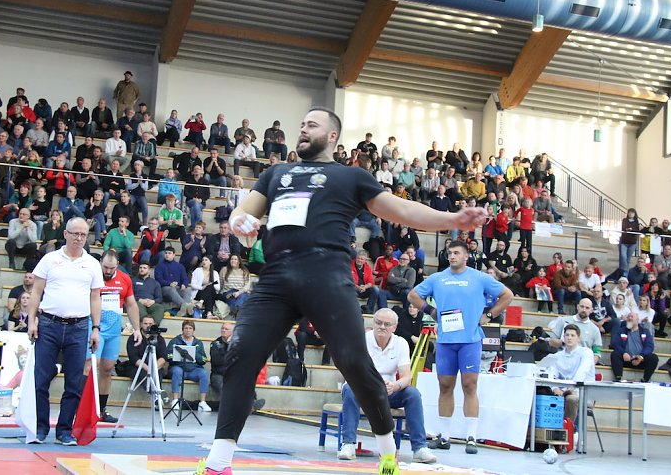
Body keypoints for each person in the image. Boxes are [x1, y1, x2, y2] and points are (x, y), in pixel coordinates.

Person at [195, 107, 487, 475]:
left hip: (327, 275)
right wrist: (241, 221)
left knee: (354, 364)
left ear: (332, 135)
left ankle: (387, 452)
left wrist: (451, 220)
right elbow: (244, 212)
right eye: (300, 124)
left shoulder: (351, 176)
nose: (302, 129)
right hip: (276, 278)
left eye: (311, 125)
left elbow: (399, 209)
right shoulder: (276, 173)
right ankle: (218, 464)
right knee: (240, 355)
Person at [407, 240, 513, 455]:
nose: (452, 256)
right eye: (449, 253)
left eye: (456, 253)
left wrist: (489, 315)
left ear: (466, 256)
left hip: (470, 340)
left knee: (469, 386)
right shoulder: (438, 278)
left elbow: (507, 295)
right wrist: (430, 310)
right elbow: (412, 295)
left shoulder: (479, 277)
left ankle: (471, 437)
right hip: (446, 341)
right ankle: (444, 436)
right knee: (445, 386)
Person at [26, 217, 103, 445]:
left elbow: (95, 297)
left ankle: (64, 430)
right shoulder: (50, 259)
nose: (79, 238)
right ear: (66, 234)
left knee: (73, 382)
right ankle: (40, 428)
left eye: (83, 235)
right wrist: (32, 320)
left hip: (78, 327)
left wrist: (96, 328)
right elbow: (36, 292)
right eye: (75, 234)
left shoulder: (92, 264)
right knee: (41, 378)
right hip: (48, 324)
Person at [337, 308, 437, 464]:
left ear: (394, 328)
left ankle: (419, 448)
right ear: (374, 323)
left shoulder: (401, 343)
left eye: (387, 324)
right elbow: (349, 372)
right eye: (378, 323)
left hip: (387, 391)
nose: (382, 327)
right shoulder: (361, 340)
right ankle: (348, 444)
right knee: (349, 389)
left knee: (413, 394)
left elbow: (406, 377)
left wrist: (395, 386)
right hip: (362, 388)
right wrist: (371, 383)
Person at [87, 250, 142, 422]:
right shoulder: (93, 277)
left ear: (117, 265)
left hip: (113, 329)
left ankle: (102, 410)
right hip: (94, 326)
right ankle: (82, 407)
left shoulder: (125, 279)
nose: (108, 271)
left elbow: (131, 305)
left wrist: (137, 328)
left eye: (112, 268)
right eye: (105, 267)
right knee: (90, 366)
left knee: (107, 368)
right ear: (100, 263)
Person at [548, 324, 596, 421]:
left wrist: (568, 389)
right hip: (563, 392)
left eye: (573, 335)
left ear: (579, 338)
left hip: (584, 393)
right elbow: (551, 374)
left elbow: (582, 372)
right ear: (563, 338)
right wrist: (555, 388)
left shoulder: (586, 352)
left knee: (571, 399)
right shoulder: (557, 356)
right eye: (567, 335)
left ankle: (571, 430)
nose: (569, 338)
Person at [166, 319, 212, 411]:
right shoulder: (175, 341)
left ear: (193, 330)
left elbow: (203, 360)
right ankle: (175, 400)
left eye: (190, 328)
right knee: (176, 371)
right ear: (182, 329)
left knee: (203, 373)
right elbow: (167, 355)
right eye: (186, 328)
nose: (188, 330)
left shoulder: (198, 343)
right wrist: (175, 356)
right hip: (178, 367)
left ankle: (202, 402)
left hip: (193, 370)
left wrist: (194, 354)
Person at [547, 298, 603, 364]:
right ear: (577, 307)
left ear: (591, 310)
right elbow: (551, 341)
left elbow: (597, 352)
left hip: (582, 363)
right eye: (582, 306)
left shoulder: (595, 329)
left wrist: (588, 367)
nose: (584, 310)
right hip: (562, 361)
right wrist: (564, 342)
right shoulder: (563, 321)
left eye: (587, 308)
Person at [610, 312, 659, 382]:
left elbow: (650, 346)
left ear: (637, 320)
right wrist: (624, 353)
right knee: (614, 354)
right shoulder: (621, 331)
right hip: (626, 359)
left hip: (640, 360)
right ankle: (618, 377)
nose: (629, 318)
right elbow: (615, 344)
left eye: (632, 317)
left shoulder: (645, 331)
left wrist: (641, 356)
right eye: (628, 317)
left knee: (654, 358)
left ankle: (645, 379)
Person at [126, 315, 169, 394]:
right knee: (141, 373)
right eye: (145, 323)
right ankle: (158, 395)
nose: (148, 326)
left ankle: (158, 396)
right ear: (141, 324)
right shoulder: (134, 338)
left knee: (158, 374)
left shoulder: (159, 338)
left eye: (150, 323)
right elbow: (133, 358)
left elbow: (163, 356)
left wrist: (154, 369)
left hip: (155, 367)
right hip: (138, 367)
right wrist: (148, 369)